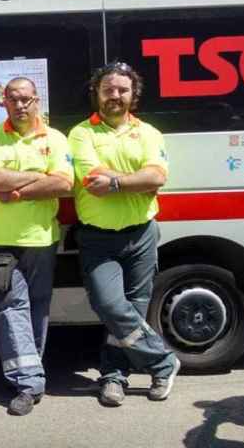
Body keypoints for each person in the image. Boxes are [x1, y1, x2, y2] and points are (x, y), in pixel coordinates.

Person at [67, 61, 180, 408]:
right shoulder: (81, 133)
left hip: (142, 234)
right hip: (98, 238)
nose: (115, 95)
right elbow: (93, 181)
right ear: (97, 93)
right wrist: (134, 181)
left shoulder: (149, 133)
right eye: (108, 89)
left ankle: (114, 377)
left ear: (133, 94)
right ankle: (164, 360)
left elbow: (157, 177)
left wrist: (117, 182)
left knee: (132, 309)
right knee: (111, 306)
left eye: (122, 90)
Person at [0, 77, 72, 416]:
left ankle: (29, 374)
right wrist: (38, 175)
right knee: (7, 307)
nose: (21, 105)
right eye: (13, 99)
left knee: (37, 308)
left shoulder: (56, 138)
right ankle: (29, 381)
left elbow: (63, 183)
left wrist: (15, 190)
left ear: (37, 101)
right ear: (3, 102)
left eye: (27, 99)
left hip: (42, 239)